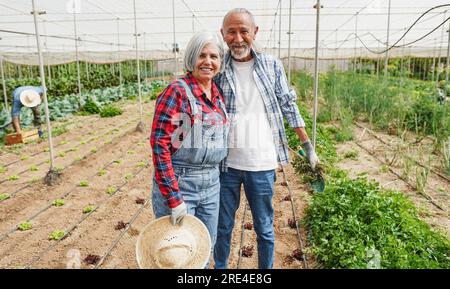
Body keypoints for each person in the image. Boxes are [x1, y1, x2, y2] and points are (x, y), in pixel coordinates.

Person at [213, 8, 319, 269]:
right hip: (225, 164)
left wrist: (307, 146)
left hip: (261, 163)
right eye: (231, 32)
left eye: (244, 31)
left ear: (255, 32)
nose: (238, 38)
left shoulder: (272, 65)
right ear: (223, 34)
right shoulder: (217, 67)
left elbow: (288, 104)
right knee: (223, 227)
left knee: (264, 228)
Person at [150, 31, 228, 268]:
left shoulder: (216, 94)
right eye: (201, 55)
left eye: (214, 56)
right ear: (191, 58)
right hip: (182, 183)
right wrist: (174, 198)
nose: (208, 61)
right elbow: (159, 143)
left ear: (220, 62)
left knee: (203, 250)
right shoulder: (178, 91)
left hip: (211, 185)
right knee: (179, 255)